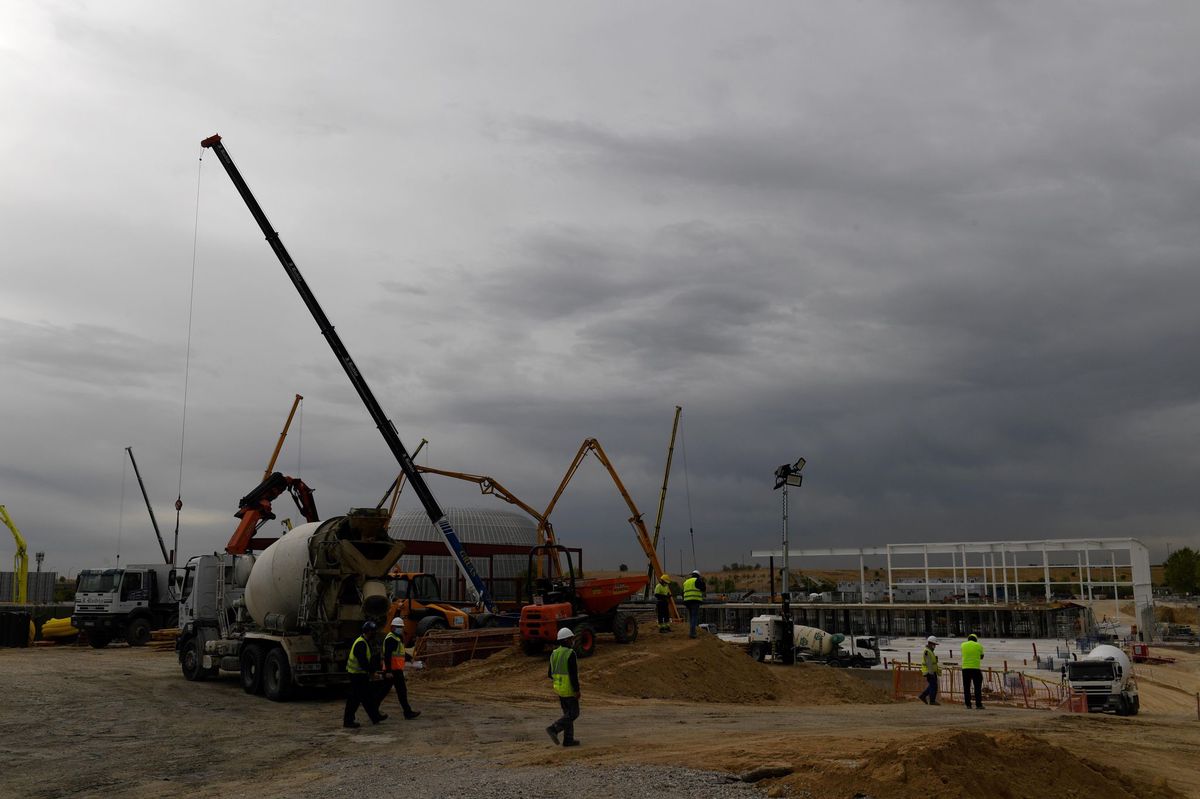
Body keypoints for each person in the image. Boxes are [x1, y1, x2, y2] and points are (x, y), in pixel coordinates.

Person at [343, 620, 386, 729]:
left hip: (360, 675)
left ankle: (375, 717)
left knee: (367, 698)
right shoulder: (361, 643)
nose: (374, 634)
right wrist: (372, 672)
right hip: (357, 675)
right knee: (356, 699)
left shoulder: (364, 642)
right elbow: (363, 661)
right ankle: (348, 721)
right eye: (373, 632)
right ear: (368, 632)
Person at [545, 627, 581, 747]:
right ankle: (554, 728)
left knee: (567, 714)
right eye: (571, 639)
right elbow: (573, 675)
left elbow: (550, 674)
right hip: (569, 690)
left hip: (559, 689)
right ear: (566, 640)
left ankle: (568, 740)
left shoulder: (554, 653)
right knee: (574, 713)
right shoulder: (570, 654)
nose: (572, 641)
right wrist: (576, 690)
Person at [380, 617, 421, 720]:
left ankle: (407, 712)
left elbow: (400, 653)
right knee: (383, 692)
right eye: (398, 627)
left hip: (397, 670)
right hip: (391, 671)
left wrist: (409, 658)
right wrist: (388, 671)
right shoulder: (391, 639)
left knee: (402, 691)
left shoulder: (398, 638)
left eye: (401, 627)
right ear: (392, 627)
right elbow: (387, 656)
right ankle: (372, 709)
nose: (400, 629)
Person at [960, 633, 985, 709]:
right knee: (977, 687)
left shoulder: (963, 645)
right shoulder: (979, 645)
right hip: (975, 669)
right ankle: (978, 704)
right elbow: (981, 657)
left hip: (965, 669)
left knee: (966, 687)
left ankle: (968, 704)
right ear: (976, 639)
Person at [682, 569, 706, 639]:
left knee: (691, 617)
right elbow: (703, 589)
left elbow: (683, 592)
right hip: (694, 601)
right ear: (698, 576)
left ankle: (692, 631)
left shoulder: (686, 581)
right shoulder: (697, 580)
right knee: (694, 617)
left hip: (687, 601)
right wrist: (702, 581)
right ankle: (692, 633)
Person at [918, 636, 940, 705]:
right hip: (929, 672)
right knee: (933, 686)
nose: (935, 646)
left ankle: (923, 696)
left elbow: (932, 662)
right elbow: (929, 663)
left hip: (932, 671)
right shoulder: (927, 651)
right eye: (934, 645)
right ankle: (932, 700)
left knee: (932, 685)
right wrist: (931, 673)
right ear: (930, 643)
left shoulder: (930, 651)